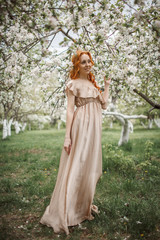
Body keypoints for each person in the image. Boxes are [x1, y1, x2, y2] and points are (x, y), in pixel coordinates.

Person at [40, 49, 111, 235]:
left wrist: (106, 85)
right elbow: (70, 111)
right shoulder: (73, 84)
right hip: (81, 126)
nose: (88, 65)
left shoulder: (91, 83)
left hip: (94, 129)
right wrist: (67, 136)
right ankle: (67, 210)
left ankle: (81, 208)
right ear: (77, 65)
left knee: (90, 167)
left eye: (89, 61)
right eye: (84, 62)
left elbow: (103, 103)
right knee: (77, 165)